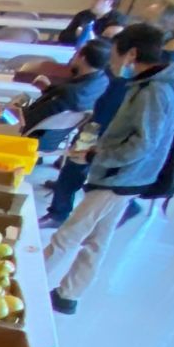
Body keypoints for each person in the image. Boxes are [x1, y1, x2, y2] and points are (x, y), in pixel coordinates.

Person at [44, 24, 174, 315]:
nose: (113, 64)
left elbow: (143, 144)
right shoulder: (150, 85)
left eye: (116, 56)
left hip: (120, 177)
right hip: (126, 175)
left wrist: (98, 156)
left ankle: (25, 289)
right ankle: (68, 294)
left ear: (132, 53)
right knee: (97, 239)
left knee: (68, 234)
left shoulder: (154, 92)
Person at [42, 40, 130, 225]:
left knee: (73, 170)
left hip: (98, 132)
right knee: (73, 171)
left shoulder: (121, 82)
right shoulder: (102, 78)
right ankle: (60, 207)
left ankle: (59, 212)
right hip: (92, 128)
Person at [22, 38, 110, 151]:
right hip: (50, 140)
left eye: (76, 53)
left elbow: (29, 120)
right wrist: (49, 89)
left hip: (30, 138)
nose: (73, 56)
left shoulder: (69, 92)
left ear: (82, 58)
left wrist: (11, 112)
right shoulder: (102, 82)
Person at [58, 0, 125, 45]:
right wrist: (76, 34)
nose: (92, 2)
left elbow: (111, 44)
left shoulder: (118, 20)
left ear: (109, 2)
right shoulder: (83, 15)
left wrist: (90, 37)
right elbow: (63, 36)